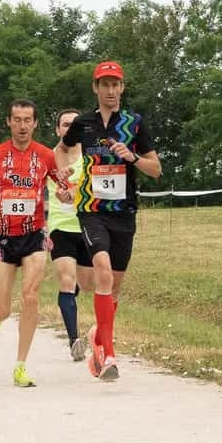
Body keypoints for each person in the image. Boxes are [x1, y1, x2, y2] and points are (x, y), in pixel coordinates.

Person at [55, 61, 161, 381]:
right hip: (91, 209)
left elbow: (156, 169)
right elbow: (61, 150)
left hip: (124, 214)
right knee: (101, 270)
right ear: (95, 89)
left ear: (122, 88)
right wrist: (63, 180)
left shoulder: (134, 123)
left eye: (116, 85)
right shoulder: (84, 124)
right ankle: (108, 354)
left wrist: (132, 157)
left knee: (113, 289)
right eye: (105, 85)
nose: (111, 91)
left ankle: (97, 337)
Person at [0, 99, 72, 387]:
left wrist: (66, 194)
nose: (23, 125)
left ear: (35, 123)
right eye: (17, 119)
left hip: (34, 235)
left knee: (30, 295)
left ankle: (21, 365)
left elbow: (62, 188)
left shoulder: (45, 156)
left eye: (28, 119)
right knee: (3, 309)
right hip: (3, 238)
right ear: (8, 122)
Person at [49, 109, 97, 361]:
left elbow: (97, 184)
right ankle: (74, 340)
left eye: (74, 124)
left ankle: (73, 291)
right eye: (65, 124)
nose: (70, 128)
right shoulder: (49, 157)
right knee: (66, 281)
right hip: (60, 227)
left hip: (87, 226)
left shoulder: (91, 156)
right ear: (58, 130)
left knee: (87, 284)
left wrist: (76, 190)